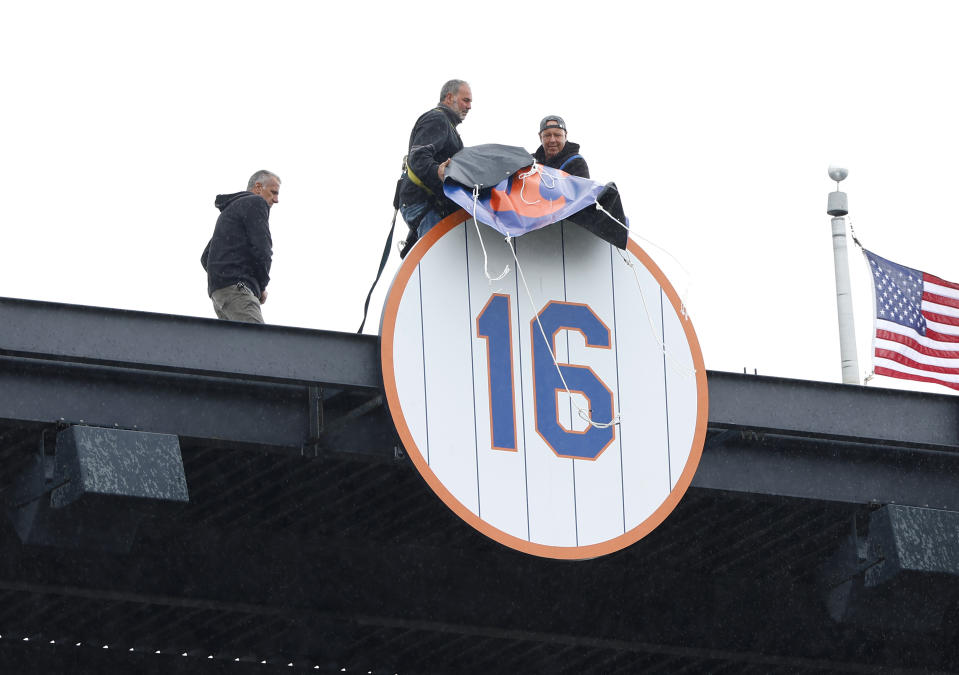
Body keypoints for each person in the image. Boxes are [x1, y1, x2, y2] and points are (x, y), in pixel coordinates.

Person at [397, 79, 472, 250]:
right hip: (424, 203)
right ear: (449, 97)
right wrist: (435, 171)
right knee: (443, 258)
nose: (469, 107)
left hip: (429, 205)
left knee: (444, 259)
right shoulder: (437, 119)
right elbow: (418, 157)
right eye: (465, 100)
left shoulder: (447, 125)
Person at [200, 170, 280, 324]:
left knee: (237, 346)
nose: (276, 200)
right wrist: (261, 285)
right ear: (258, 187)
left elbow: (206, 257)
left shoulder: (231, 210)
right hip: (238, 290)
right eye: (273, 192)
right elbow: (263, 249)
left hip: (219, 295)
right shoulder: (256, 203)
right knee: (257, 343)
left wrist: (223, 277)